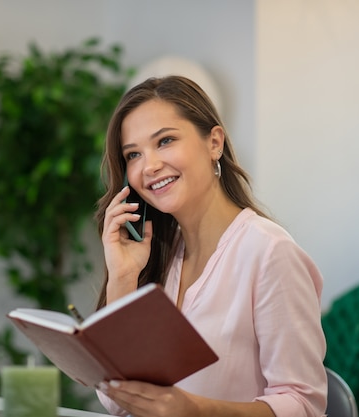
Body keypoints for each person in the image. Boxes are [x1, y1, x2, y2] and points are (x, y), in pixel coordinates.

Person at [93, 75, 327, 417]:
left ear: (214, 142)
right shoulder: (159, 256)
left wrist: (195, 410)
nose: (150, 166)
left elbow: (303, 405)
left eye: (166, 140)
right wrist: (123, 278)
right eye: (133, 155)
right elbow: (116, 401)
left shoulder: (270, 253)